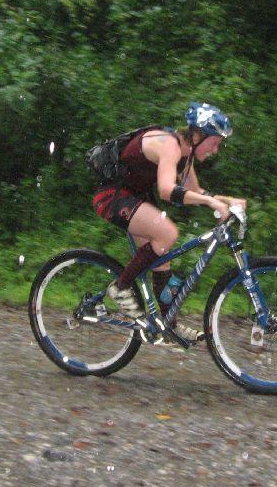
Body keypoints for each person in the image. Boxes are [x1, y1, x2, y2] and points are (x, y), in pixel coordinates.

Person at [91, 102, 246, 341]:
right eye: (214, 142)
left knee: (162, 258)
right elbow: (166, 190)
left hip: (132, 198)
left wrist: (226, 200)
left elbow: (195, 192)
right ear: (197, 136)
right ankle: (120, 288)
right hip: (112, 196)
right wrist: (212, 204)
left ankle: (168, 326)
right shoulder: (170, 146)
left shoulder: (187, 155)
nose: (216, 149)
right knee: (167, 233)